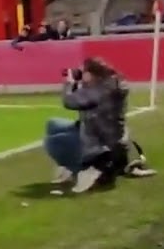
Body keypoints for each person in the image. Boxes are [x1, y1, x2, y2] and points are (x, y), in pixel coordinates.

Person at [43, 58, 147, 195]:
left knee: (51, 143)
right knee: (53, 124)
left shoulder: (99, 90)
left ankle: (80, 168)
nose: (80, 74)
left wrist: (68, 83)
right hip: (100, 130)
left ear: (92, 74)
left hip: (100, 141)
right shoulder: (107, 84)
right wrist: (80, 84)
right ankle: (70, 166)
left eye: (84, 71)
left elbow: (69, 102)